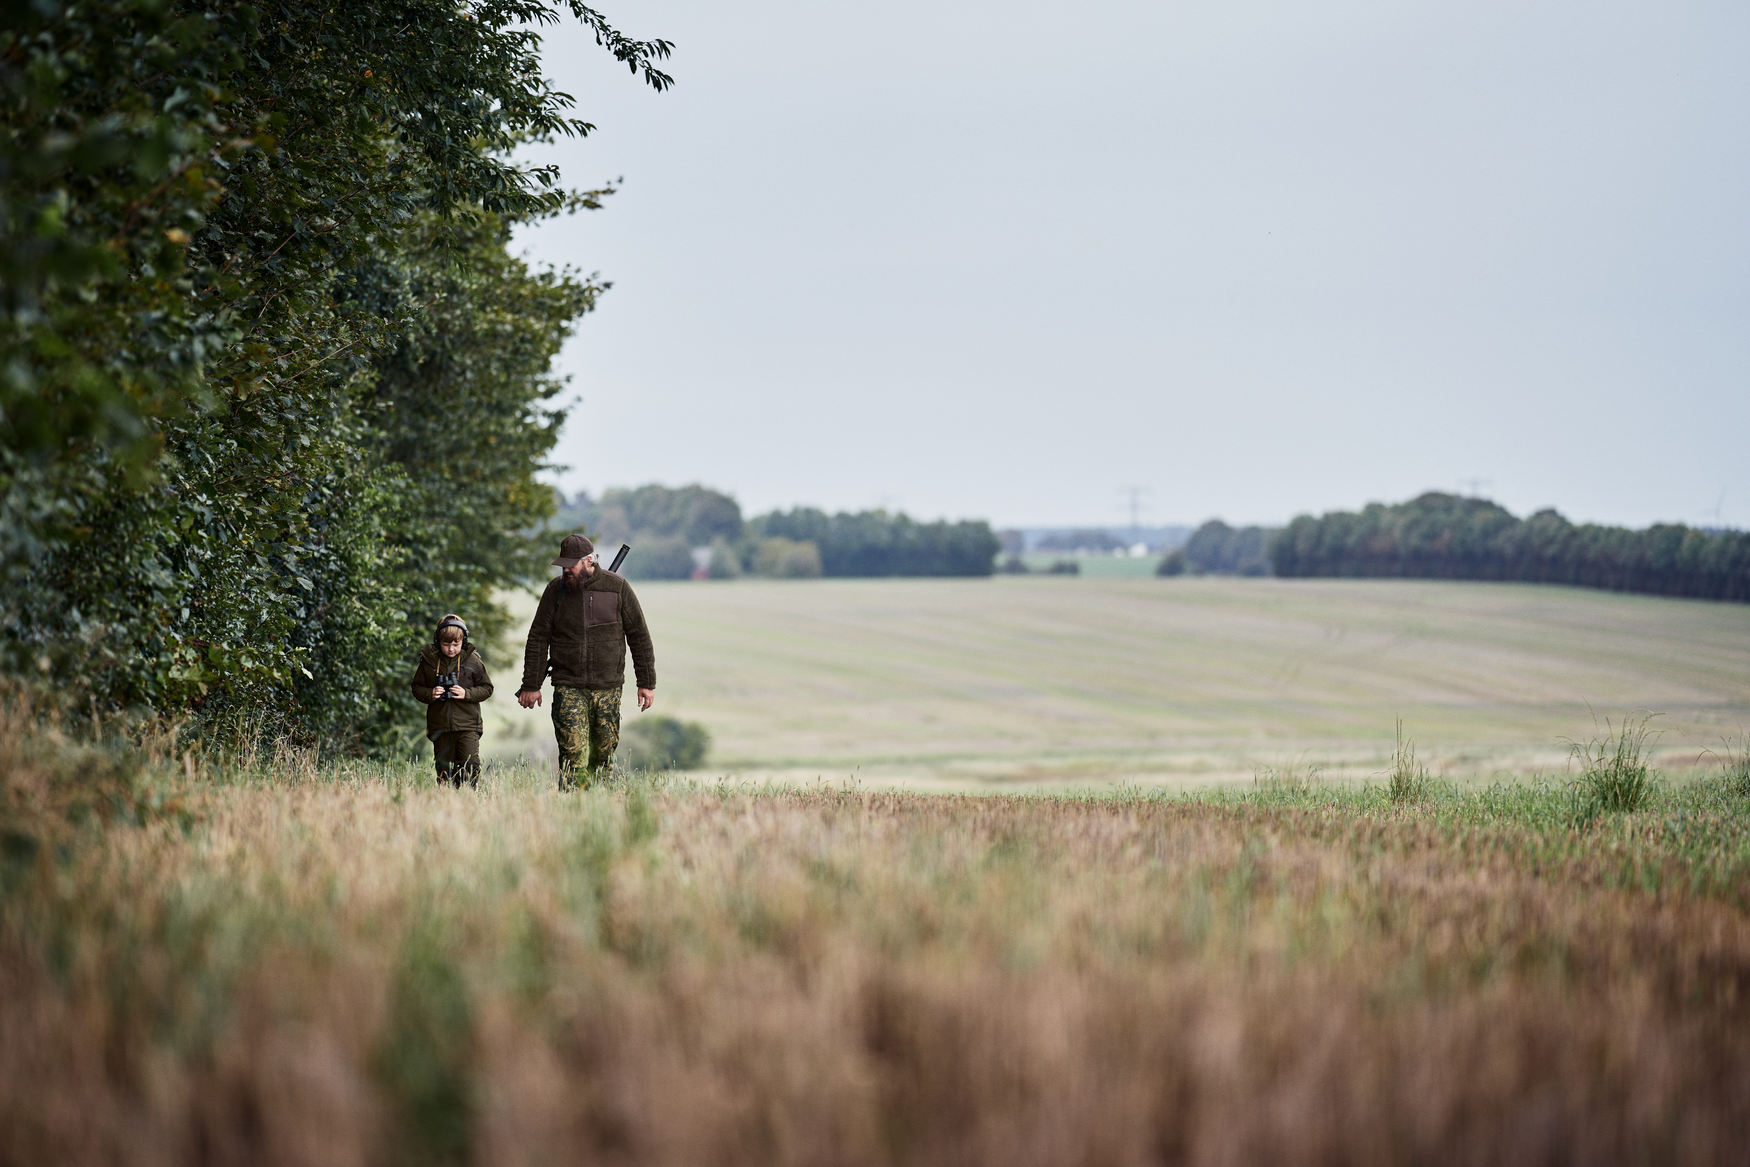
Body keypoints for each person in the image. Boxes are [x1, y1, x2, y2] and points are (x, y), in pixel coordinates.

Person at [517, 534, 656, 787]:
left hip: (609, 687)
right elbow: (538, 638)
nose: (566, 569)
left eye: (571, 564)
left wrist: (646, 682)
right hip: (569, 686)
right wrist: (531, 684)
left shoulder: (618, 588)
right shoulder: (555, 591)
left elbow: (638, 635)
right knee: (573, 755)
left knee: (603, 757)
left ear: (589, 560)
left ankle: (599, 811)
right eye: (563, 564)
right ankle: (572, 811)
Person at [410, 614, 494, 786]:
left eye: (456, 644)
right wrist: (431, 693)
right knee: (444, 772)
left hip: (468, 724)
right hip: (440, 726)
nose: (451, 649)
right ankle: (447, 804)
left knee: (470, 765)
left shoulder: (472, 659)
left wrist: (466, 693)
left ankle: (468, 799)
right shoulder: (428, 661)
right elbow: (417, 688)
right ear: (437, 640)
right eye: (446, 644)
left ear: (464, 640)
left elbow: (487, 688)